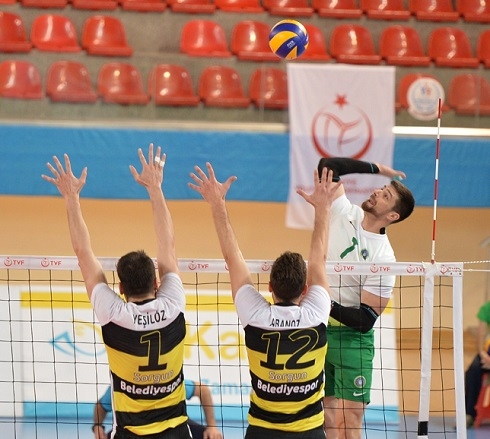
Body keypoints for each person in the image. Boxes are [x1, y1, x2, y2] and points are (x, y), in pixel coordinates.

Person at [42, 144, 192, 439]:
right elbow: (168, 246)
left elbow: (82, 252)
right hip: (176, 430)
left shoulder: (113, 314)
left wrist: (71, 198)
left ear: (120, 288)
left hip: (130, 432)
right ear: (157, 283)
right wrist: (155, 189)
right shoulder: (173, 304)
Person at [189, 162, 340, 439]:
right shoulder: (317, 313)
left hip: (263, 431)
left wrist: (217, 203)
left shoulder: (256, 316)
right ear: (305, 289)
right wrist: (323, 208)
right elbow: (319, 259)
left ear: (270, 287)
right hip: (309, 431)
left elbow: (232, 257)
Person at [317, 157, 415, 439]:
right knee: (325, 421)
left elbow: (364, 319)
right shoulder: (342, 210)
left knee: (348, 424)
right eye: (381, 188)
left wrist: (323, 302)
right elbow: (328, 166)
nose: (376, 192)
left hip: (352, 342)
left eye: (386, 196)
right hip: (319, 332)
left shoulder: (384, 257)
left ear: (392, 216)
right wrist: (379, 169)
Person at [93, 380, 223, 439]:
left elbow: (203, 390)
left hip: (173, 426)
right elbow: (101, 406)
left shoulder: (166, 382)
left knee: (212, 437)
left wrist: (212, 426)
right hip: (134, 429)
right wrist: (97, 426)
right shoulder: (123, 386)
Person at [464, 300, 490, 428]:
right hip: (488, 354)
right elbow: (482, 334)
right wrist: (483, 354)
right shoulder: (487, 308)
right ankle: (469, 414)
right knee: (473, 370)